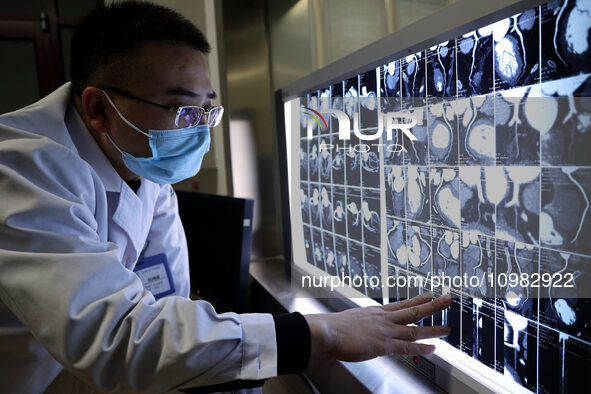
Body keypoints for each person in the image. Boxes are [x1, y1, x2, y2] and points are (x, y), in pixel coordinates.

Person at [0, 2, 452, 393]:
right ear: (100, 109)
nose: (199, 130)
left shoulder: (142, 167)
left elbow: (166, 304)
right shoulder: (21, 167)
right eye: (182, 109)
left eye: (206, 110)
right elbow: (113, 338)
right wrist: (323, 332)